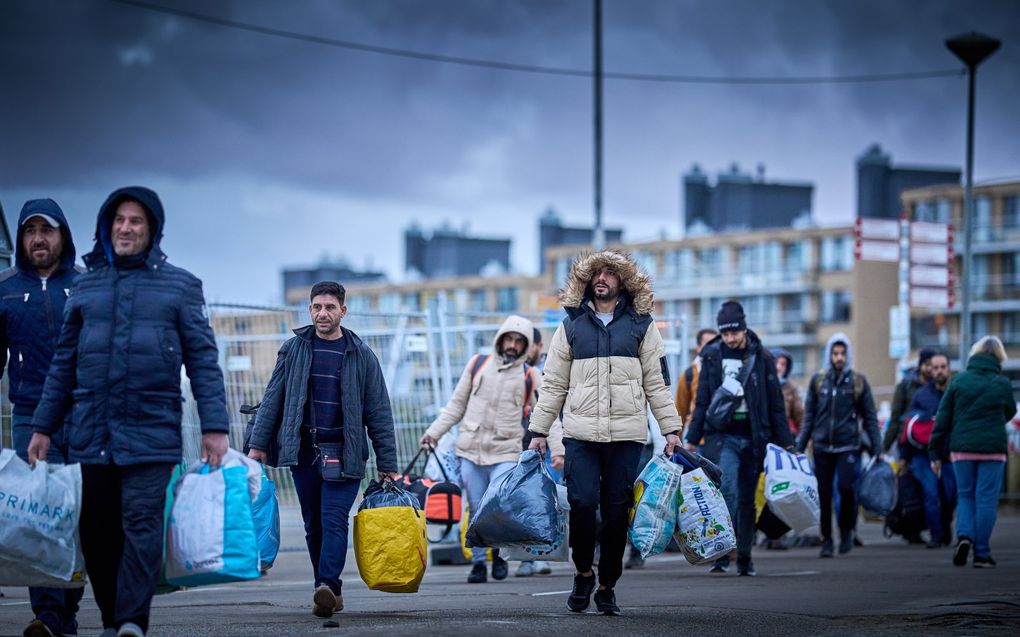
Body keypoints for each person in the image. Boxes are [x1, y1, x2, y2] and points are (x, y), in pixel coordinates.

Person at [28, 187, 229, 637]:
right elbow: (63, 362)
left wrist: (215, 426)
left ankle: (133, 622)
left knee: (140, 526)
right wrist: (43, 426)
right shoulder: (86, 285)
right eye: (119, 220)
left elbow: (202, 360)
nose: (126, 228)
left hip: (151, 431)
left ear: (151, 229)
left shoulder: (180, 285)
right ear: (106, 225)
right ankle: (110, 620)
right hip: (91, 431)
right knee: (96, 532)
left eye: (136, 221)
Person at [528, 249, 683, 616]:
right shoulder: (570, 326)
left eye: (610, 273)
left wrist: (670, 430)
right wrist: (539, 430)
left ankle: (607, 585)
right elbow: (553, 385)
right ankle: (583, 572)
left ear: (622, 281)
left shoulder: (641, 326)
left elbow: (658, 384)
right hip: (580, 433)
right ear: (587, 280)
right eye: (596, 272)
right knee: (581, 504)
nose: (602, 278)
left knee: (617, 512)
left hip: (627, 436)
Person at [246, 281, 398, 616]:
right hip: (304, 452)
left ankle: (326, 583)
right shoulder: (294, 349)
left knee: (334, 520)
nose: (322, 313)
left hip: (344, 451)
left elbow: (379, 413)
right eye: (317, 307)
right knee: (313, 523)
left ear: (343, 311)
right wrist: (257, 445)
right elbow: (273, 399)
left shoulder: (361, 355)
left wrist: (388, 462)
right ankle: (327, 589)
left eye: (330, 307)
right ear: (309, 310)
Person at [420, 316, 563, 583]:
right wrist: (434, 433)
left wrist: (558, 449)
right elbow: (455, 405)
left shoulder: (530, 375)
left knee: (497, 507)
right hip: (470, 451)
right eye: (508, 339)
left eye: (519, 342)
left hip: (506, 452)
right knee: (475, 508)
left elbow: (548, 414)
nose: (512, 345)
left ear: (526, 346)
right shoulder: (477, 365)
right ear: (500, 339)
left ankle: (497, 556)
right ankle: (477, 564)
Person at [0, 199, 83, 637]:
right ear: (21, 238)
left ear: (62, 235)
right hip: (32, 417)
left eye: (46, 230)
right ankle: (48, 615)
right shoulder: (6, 288)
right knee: (40, 515)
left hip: (84, 414)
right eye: (30, 231)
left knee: (76, 517)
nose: (38, 239)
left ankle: (66, 608)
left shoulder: (86, 286)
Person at [685, 301, 793, 576]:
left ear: (744, 328)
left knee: (747, 500)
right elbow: (703, 402)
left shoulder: (762, 358)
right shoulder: (712, 356)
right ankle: (722, 554)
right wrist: (692, 438)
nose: (730, 338)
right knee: (727, 492)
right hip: (723, 437)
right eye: (725, 333)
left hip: (755, 437)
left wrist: (786, 442)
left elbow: (775, 402)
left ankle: (745, 557)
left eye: (734, 332)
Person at [930, 336, 1016, 568]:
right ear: (999, 357)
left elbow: (943, 419)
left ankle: (965, 537)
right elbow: (1009, 412)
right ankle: (982, 553)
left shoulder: (958, 381)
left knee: (966, 496)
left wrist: (935, 453)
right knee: (986, 501)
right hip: (993, 450)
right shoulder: (1002, 384)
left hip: (962, 449)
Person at [796, 333, 882, 558]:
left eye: (843, 353)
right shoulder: (818, 381)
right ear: (829, 355)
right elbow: (809, 418)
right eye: (835, 353)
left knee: (846, 488)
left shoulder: (858, 382)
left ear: (848, 355)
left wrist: (877, 446)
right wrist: (800, 446)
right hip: (822, 446)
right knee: (823, 494)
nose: (839, 358)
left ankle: (846, 531)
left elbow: (870, 417)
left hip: (848, 446)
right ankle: (826, 539)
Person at [517, 326, 558, 578]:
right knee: (525, 505)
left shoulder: (548, 368)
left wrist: (560, 447)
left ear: (538, 345)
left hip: (549, 446)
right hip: (523, 445)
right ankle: (527, 558)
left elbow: (553, 409)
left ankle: (543, 555)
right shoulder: (517, 373)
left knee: (544, 504)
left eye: (528, 344)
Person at [904, 353, 956, 548]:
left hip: (949, 454)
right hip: (923, 455)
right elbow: (909, 427)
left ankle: (945, 526)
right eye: (936, 367)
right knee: (931, 494)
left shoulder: (956, 392)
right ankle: (936, 534)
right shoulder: (921, 395)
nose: (940, 371)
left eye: (943, 366)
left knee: (950, 495)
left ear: (949, 368)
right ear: (930, 370)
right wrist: (904, 457)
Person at [884, 348, 936, 454]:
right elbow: (895, 417)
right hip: (909, 442)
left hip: (931, 443)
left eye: (932, 365)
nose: (929, 369)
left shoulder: (938, 387)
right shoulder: (906, 386)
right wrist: (886, 445)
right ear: (920, 365)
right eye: (926, 364)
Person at [675, 328, 718, 423]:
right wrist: (676, 436)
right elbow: (680, 411)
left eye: (715, 344)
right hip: (699, 434)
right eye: (708, 344)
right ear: (698, 348)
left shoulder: (726, 370)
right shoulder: (688, 375)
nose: (712, 348)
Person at [772, 348, 804, 436]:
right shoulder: (760, 385)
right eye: (776, 363)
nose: (778, 367)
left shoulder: (791, 388)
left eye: (783, 364)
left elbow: (799, 415)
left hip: (783, 435)